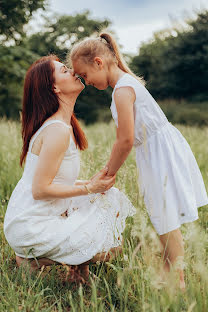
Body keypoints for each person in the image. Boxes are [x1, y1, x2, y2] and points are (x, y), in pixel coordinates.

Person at [70, 33, 208, 289]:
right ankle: (171, 273)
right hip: (155, 150)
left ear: (99, 62)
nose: (86, 82)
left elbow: (125, 140)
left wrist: (109, 172)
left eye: (85, 75)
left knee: (165, 216)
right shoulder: (125, 85)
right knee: (162, 216)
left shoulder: (123, 90)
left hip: (160, 152)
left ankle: (176, 280)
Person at [3, 55, 136, 281]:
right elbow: (40, 189)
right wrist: (89, 188)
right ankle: (30, 258)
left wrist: (93, 184)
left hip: (37, 215)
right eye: (65, 70)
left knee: (109, 196)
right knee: (110, 250)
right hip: (31, 225)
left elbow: (56, 181)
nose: (74, 72)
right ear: (54, 87)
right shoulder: (57, 130)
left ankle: (77, 270)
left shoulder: (63, 125)